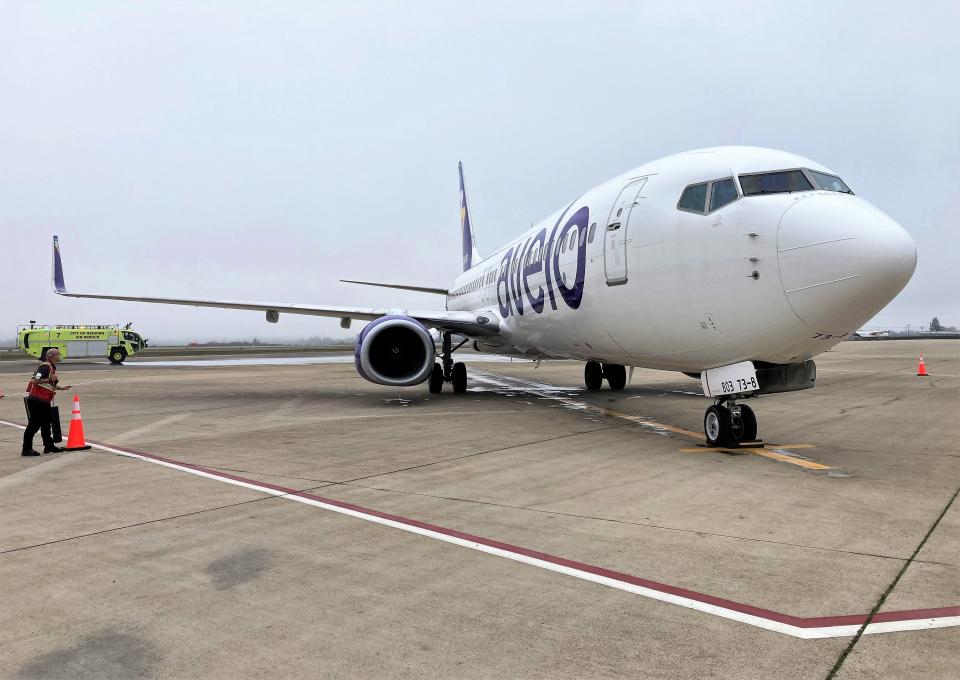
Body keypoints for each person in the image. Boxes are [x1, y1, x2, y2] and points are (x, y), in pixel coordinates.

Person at [22, 348, 72, 456]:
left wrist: (60, 387)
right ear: (53, 356)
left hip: (44, 400)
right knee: (34, 425)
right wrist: (50, 379)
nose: (60, 356)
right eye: (58, 355)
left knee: (46, 424)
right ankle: (26, 449)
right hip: (37, 400)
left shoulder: (51, 367)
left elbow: (48, 384)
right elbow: (35, 380)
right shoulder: (45, 366)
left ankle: (49, 446)